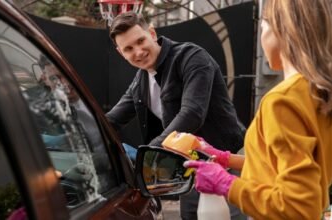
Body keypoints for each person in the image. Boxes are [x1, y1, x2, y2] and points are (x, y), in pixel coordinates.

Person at [183, 0, 332, 219]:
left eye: (263, 27)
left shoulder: (282, 102)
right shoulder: (327, 96)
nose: (261, 38)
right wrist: (225, 159)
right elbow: (279, 170)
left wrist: (224, 184)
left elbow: (299, 207)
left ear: (280, 30)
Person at [105, 11, 246, 220]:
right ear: (121, 53)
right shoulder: (140, 82)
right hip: (190, 167)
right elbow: (112, 120)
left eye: (140, 40)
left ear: (151, 33)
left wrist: (150, 153)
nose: (138, 51)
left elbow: (192, 114)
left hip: (227, 160)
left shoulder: (191, 57)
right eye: (129, 49)